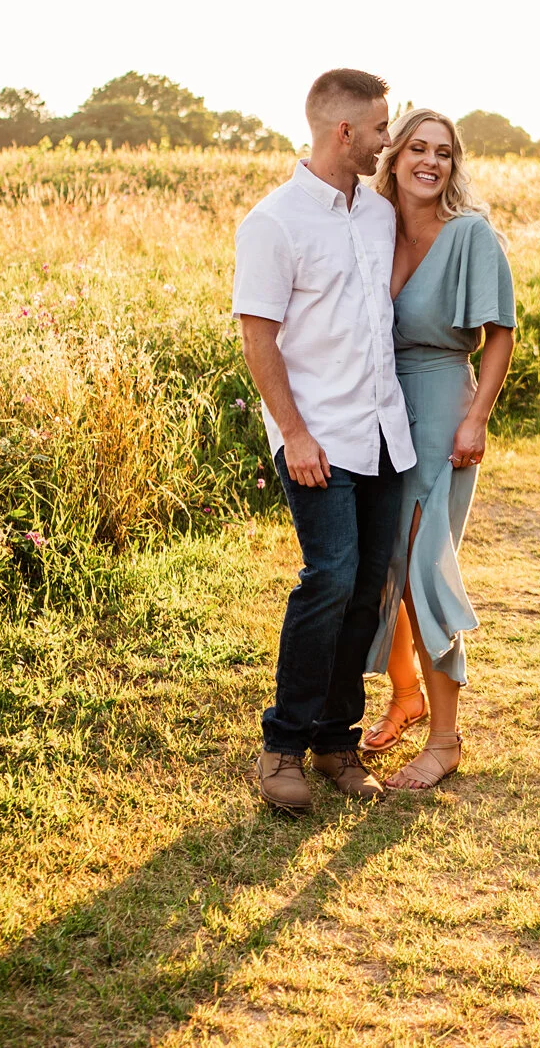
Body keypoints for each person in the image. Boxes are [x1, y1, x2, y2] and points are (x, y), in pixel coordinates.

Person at [232, 68, 415, 814]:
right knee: (329, 577)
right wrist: (296, 434)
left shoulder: (377, 215)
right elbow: (258, 336)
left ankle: (337, 742)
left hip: (383, 434)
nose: (386, 141)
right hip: (319, 441)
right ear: (345, 132)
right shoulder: (273, 222)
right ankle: (282, 747)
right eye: (379, 129)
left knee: (368, 587)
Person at [359, 107, 516, 790]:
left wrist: (476, 419)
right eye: (417, 148)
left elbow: (501, 331)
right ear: (393, 157)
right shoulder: (371, 229)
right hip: (378, 410)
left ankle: (446, 739)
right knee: (383, 565)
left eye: (444, 152)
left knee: (425, 567)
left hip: (443, 404)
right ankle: (405, 695)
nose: (431, 161)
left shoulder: (470, 235)